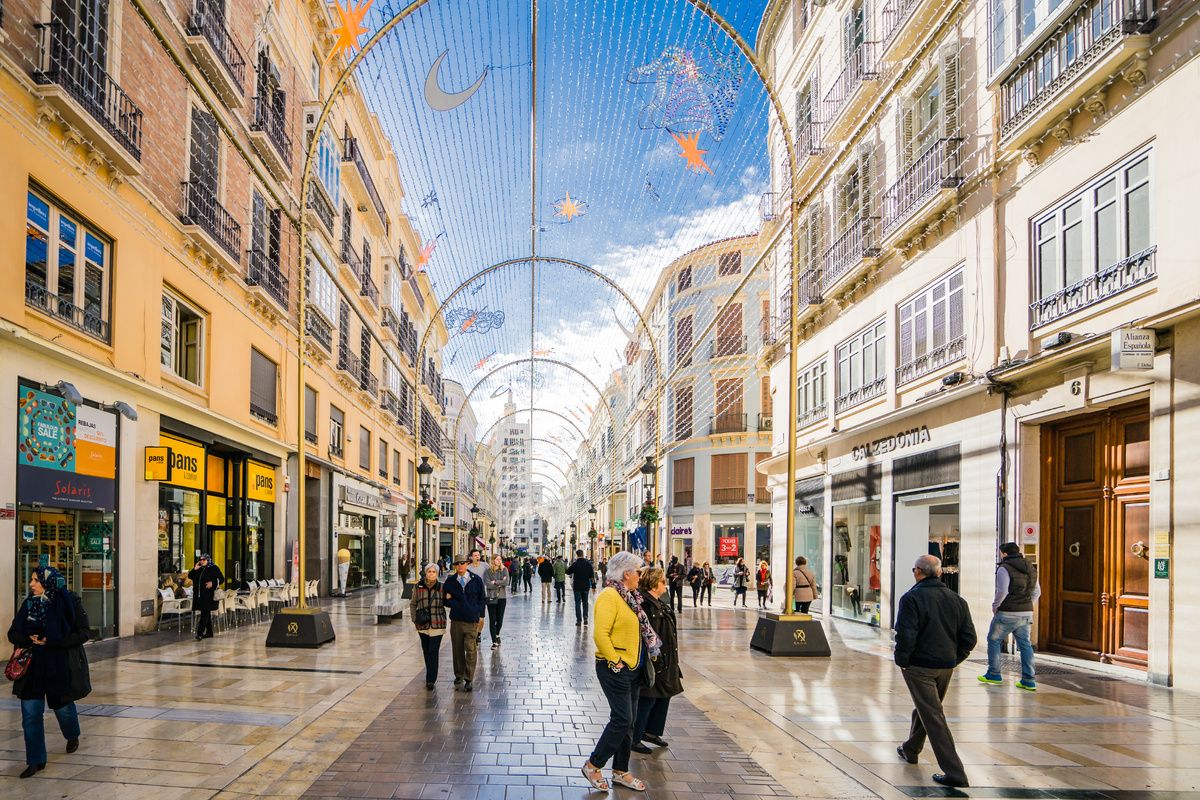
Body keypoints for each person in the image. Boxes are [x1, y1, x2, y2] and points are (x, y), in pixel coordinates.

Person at [894, 554, 976, 790]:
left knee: (933, 716)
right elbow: (969, 638)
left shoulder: (912, 598)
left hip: (920, 666)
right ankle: (911, 749)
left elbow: (906, 634)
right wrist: (954, 659)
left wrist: (903, 661)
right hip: (945, 666)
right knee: (927, 708)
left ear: (918, 572)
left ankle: (955, 772)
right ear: (939, 573)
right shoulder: (957, 599)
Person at [581, 551, 656, 793]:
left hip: (633, 667)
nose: (640, 577)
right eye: (638, 572)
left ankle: (621, 771)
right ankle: (593, 765)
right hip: (615, 668)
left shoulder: (630, 597)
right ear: (626, 574)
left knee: (629, 722)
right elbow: (600, 635)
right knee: (622, 719)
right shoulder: (609, 596)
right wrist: (616, 661)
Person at [8, 566, 89, 778]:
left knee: (63, 710)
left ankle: (72, 735)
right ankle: (36, 761)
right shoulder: (29, 603)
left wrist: (52, 640)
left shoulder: (69, 602)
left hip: (58, 665)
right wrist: (28, 639)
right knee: (30, 714)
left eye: (36, 580)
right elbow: (13, 633)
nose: (31, 584)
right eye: (32, 580)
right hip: (32, 667)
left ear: (48, 582)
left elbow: (83, 633)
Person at [631, 567, 682, 755]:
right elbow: (648, 635)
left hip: (667, 658)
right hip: (656, 660)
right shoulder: (646, 604)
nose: (665, 585)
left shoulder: (659, 602)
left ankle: (651, 731)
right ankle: (636, 737)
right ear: (654, 584)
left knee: (664, 694)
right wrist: (655, 658)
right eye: (662, 581)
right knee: (648, 698)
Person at [979, 542, 1040, 691]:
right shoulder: (1030, 568)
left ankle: (994, 674)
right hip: (1026, 612)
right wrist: (1026, 604)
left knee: (994, 640)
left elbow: (1003, 591)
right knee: (1025, 645)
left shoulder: (1004, 568)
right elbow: (1037, 592)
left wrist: (995, 606)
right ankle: (1029, 680)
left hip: (1007, 612)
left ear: (1004, 553)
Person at [443, 554, 486, 691]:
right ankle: (459, 675)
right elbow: (445, 600)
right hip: (456, 620)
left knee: (471, 649)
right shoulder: (450, 581)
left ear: (467, 564)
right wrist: (453, 602)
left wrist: (479, 613)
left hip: (471, 621)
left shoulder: (476, 580)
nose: (460, 566)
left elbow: (482, 598)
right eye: (457, 564)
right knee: (457, 650)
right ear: (455, 566)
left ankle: (469, 678)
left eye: (462, 563)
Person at [411, 564, 447, 689]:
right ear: (426, 573)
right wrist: (414, 619)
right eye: (429, 571)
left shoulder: (442, 587)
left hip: (438, 624)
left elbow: (448, 603)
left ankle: (431, 679)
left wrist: (449, 598)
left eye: (433, 572)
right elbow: (413, 604)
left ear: (437, 574)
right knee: (426, 650)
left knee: (433, 651)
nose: (431, 574)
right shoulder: (418, 586)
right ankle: (430, 673)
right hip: (423, 624)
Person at [187, 554, 223, 640]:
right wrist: (195, 569)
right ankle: (209, 632)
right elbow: (190, 576)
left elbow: (221, 579)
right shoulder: (199, 568)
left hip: (209, 595)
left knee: (205, 613)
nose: (202, 561)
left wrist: (213, 583)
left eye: (204, 560)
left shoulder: (214, 568)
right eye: (200, 559)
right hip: (199, 596)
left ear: (208, 560)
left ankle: (199, 633)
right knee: (206, 613)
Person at [484, 554, 509, 649]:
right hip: (491, 597)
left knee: (500, 620)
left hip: (502, 597)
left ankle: (497, 634)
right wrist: (500, 583)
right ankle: (494, 641)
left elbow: (506, 582)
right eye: (497, 559)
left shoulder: (504, 570)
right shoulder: (488, 571)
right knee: (492, 620)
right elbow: (488, 584)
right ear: (493, 560)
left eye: (500, 559)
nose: (499, 561)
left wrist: (495, 582)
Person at [566, 549, 596, 626]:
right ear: (582, 554)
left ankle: (579, 620)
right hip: (586, 587)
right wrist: (593, 586)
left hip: (577, 587)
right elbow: (592, 576)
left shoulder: (575, 564)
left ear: (577, 555)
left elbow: (567, 572)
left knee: (577, 603)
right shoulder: (588, 564)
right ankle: (585, 618)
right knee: (585, 602)